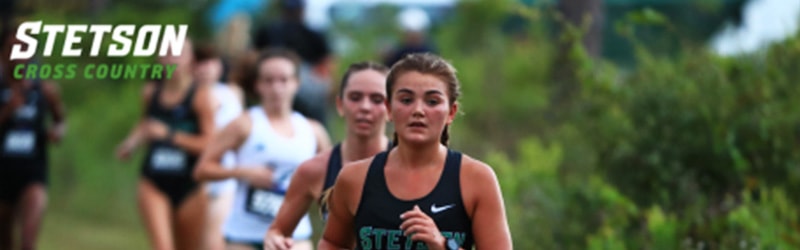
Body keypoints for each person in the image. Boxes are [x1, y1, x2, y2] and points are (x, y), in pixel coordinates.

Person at [318, 53, 513, 250]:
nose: (418, 110)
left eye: (432, 102)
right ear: (389, 109)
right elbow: (333, 243)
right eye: (406, 99)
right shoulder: (355, 178)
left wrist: (443, 245)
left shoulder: (476, 179)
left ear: (451, 112)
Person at [194, 48, 331, 250]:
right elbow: (202, 170)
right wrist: (242, 172)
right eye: (269, 80)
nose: (276, 88)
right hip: (244, 237)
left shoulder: (313, 131)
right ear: (258, 84)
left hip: (294, 238)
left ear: (296, 84)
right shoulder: (243, 124)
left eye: (283, 80)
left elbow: (334, 182)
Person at [263, 61, 391, 250]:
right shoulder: (315, 170)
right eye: (355, 97)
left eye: (377, 99)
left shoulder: (415, 166)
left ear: (391, 108)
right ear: (340, 104)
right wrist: (274, 241)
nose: (365, 107)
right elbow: (277, 231)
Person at [116, 39, 215, 250]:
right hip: (154, 179)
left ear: (191, 59)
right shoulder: (151, 92)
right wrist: (130, 144)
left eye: (178, 53)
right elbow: (145, 123)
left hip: (190, 185)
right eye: (167, 53)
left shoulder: (201, 96)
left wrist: (170, 135)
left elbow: (210, 145)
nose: (172, 59)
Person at [0, 26, 67, 250]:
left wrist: (57, 132)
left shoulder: (45, 90)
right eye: (13, 48)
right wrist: (7, 111)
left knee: (28, 242)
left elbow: (60, 122)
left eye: (25, 49)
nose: (19, 55)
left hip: (33, 172)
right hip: (3, 172)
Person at [193, 43, 245, 250]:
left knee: (215, 243)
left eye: (210, 62)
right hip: (193, 179)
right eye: (199, 63)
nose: (205, 68)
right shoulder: (188, 96)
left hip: (225, 178)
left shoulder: (233, 93)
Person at [254, 0, 335, 128]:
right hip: (289, 81)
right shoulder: (269, 31)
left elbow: (326, 63)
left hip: (304, 82)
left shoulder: (312, 33)